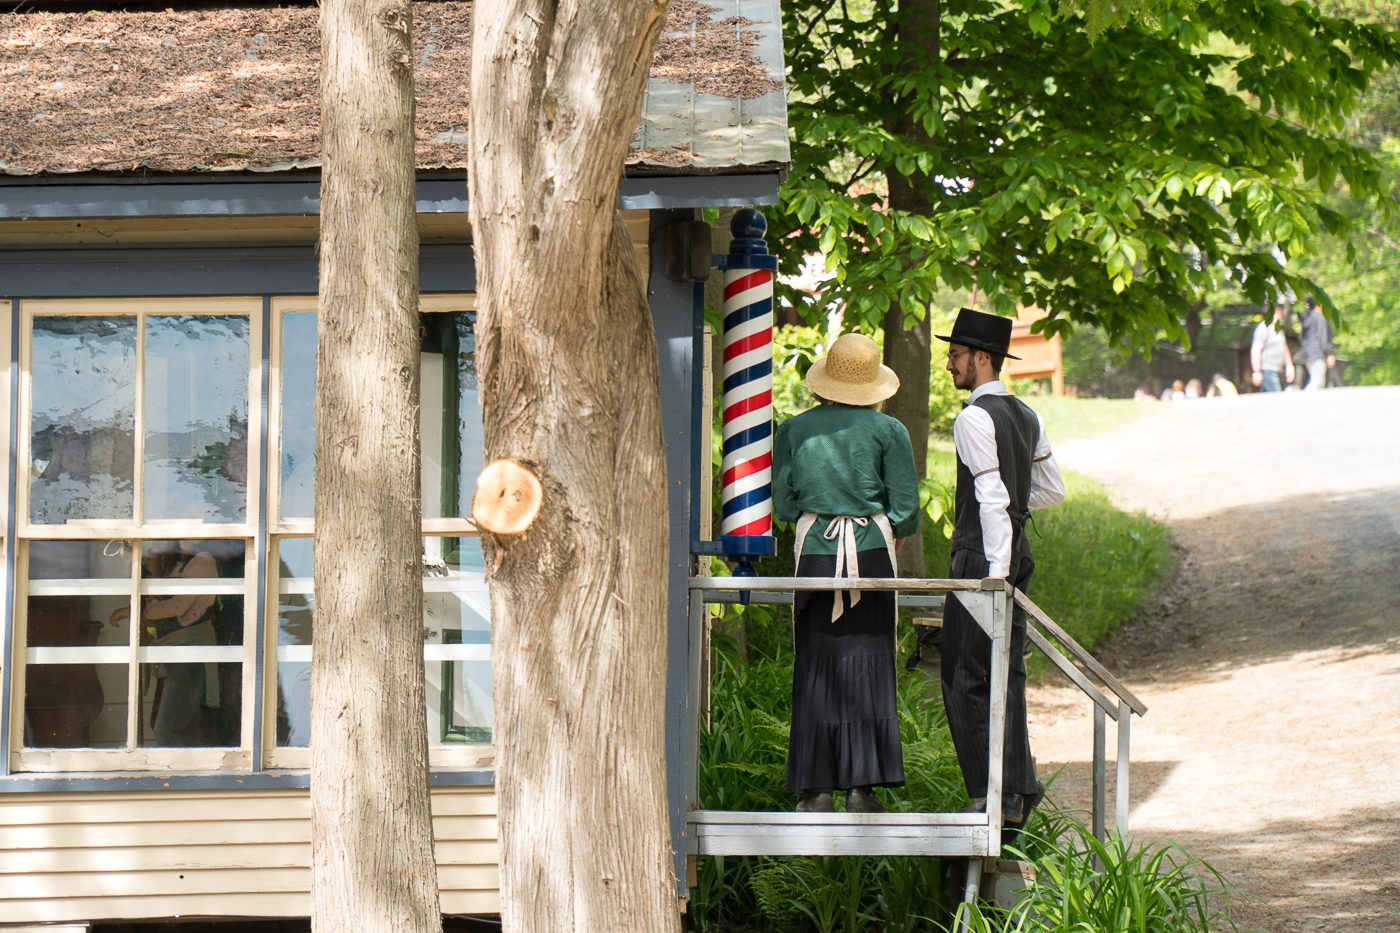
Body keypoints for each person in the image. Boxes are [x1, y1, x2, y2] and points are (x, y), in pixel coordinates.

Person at [773, 333, 922, 814]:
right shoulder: (891, 431)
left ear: (824, 381)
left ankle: (815, 791)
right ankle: (864, 789)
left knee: (816, 660)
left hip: (816, 550)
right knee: (871, 662)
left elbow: (783, 504)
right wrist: (890, 530)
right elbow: (907, 510)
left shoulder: (794, 430)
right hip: (872, 549)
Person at [936, 308, 1065, 825]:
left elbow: (989, 497)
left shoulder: (973, 417)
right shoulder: (1027, 415)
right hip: (1015, 550)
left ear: (982, 359)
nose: (949, 364)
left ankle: (987, 792)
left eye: (956, 355)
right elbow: (1052, 490)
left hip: (981, 554)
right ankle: (1017, 787)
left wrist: (994, 571)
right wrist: (1013, 539)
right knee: (1006, 671)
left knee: (963, 675)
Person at [110, 540, 220, 747]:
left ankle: (176, 776)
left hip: (189, 656)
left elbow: (176, 606)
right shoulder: (173, 561)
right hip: (171, 654)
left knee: (167, 728)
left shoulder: (202, 561)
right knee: (182, 727)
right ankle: (192, 773)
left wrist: (137, 610)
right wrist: (153, 553)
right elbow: (152, 588)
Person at [1250, 303, 1295, 392]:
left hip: (1278, 370)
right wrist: (1256, 371)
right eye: (1276, 311)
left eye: (1279, 311)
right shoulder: (1263, 328)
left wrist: (1289, 366)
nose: (1279, 313)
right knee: (1276, 399)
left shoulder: (1278, 328)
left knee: (1266, 401)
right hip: (1267, 370)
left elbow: (1284, 347)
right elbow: (1256, 350)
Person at [1298, 295, 1336, 391]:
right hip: (1317, 354)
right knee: (1317, 382)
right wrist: (1329, 353)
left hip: (1308, 354)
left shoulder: (1308, 318)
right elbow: (1323, 337)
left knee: (1319, 383)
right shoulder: (1320, 317)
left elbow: (1302, 337)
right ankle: (1301, 401)